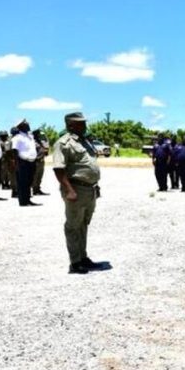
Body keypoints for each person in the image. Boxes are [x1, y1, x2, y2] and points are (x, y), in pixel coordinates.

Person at [52, 112, 106, 275]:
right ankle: (75, 262)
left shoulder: (85, 141)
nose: (84, 126)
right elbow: (59, 169)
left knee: (83, 224)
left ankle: (83, 257)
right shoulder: (63, 143)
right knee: (73, 226)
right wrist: (69, 190)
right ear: (70, 125)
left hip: (89, 189)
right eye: (80, 123)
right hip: (76, 189)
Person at [11, 120, 39, 206]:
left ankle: (28, 199)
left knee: (29, 181)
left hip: (31, 162)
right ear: (21, 126)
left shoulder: (29, 137)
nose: (28, 125)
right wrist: (16, 163)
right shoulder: (17, 137)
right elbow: (14, 150)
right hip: (22, 162)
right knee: (23, 182)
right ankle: (23, 201)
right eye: (26, 124)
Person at [32, 129, 50, 196]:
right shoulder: (33, 142)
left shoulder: (41, 142)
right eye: (38, 134)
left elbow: (45, 150)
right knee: (35, 176)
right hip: (36, 161)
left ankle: (38, 189)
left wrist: (45, 152)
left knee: (40, 176)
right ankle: (34, 190)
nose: (39, 135)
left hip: (42, 161)